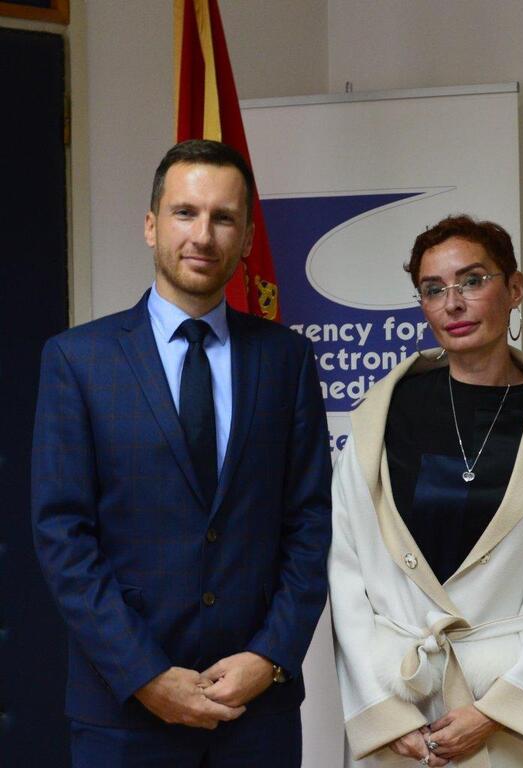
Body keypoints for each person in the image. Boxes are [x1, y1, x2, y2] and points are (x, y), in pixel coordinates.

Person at [31, 139, 332, 768]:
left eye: (223, 218)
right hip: (123, 713)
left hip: (256, 714)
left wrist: (271, 656)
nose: (202, 235)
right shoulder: (78, 361)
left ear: (247, 238)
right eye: (185, 213)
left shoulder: (287, 359)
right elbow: (63, 535)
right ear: (151, 225)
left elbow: (310, 523)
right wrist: (144, 674)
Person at [328, 215, 523, 767]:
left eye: (473, 281)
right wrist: (385, 714)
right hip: (402, 710)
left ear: (515, 289)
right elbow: (345, 570)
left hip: (505, 714)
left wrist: (500, 711)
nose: (453, 303)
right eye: (433, 289)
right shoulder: (379, 416)